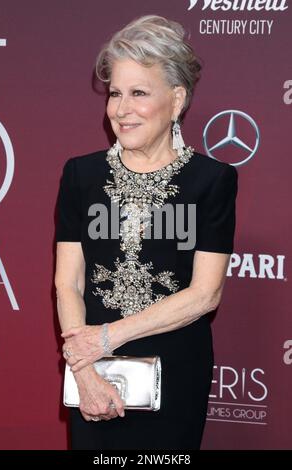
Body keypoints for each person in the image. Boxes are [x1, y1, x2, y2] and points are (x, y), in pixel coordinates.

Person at [55, 15, 238, 450]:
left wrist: (105, 338)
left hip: (174, 372)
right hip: (93, 375)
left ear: (176, 100)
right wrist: (85, 372)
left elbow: (204, 295)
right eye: (116, 93)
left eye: (139, 93)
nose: (121, 109)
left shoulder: (211, 180)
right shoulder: (81, 174)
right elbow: (68, 282)